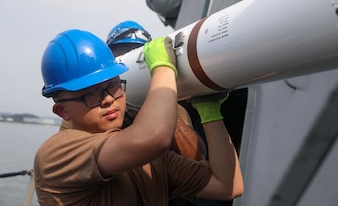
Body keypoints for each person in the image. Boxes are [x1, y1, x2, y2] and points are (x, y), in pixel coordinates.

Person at [34, 29, 244, 205]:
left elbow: (228, 185)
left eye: (114, 86)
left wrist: (210, 113)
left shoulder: (154, 162)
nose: (108, 99)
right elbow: (155, 137)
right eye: (91, 94)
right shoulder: (56, 154)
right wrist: (163, 68)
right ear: (63, 111)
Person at [59, 20, 206, 161]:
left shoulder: (175, 110)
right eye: (123, 55)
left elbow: (195, 157)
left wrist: (161, 105)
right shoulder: (85, 115)